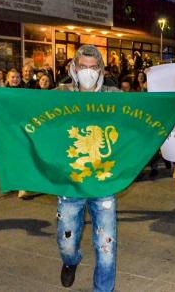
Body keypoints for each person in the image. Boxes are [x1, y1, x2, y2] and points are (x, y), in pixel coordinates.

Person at [56, 45, 120, 291]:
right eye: (83, 67)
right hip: (70, 182)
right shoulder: (60, 94)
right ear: (74, 68)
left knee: (106, 246)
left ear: (102, 70)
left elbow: (146, 109)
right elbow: (27, 107)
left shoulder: (113, 96)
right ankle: (70, 261)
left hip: (104, 183)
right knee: (66, 241)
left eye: (94, 68)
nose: (88, 72)